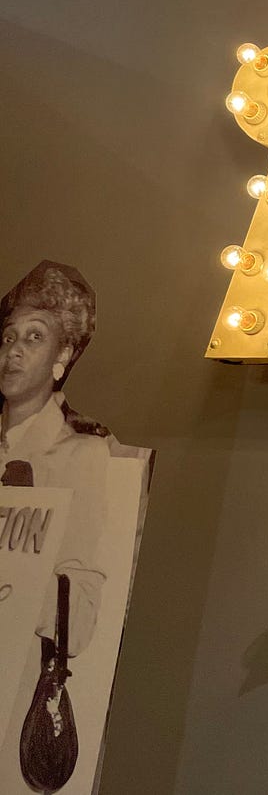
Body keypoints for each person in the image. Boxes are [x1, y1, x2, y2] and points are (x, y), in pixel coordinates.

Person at [0, 262, 109, 665]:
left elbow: (78, 622)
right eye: (8, 336)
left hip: (16, 685)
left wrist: (14, 578)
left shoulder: (81, 455)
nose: (14, 350)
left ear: (62, 354)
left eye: (34, 337)